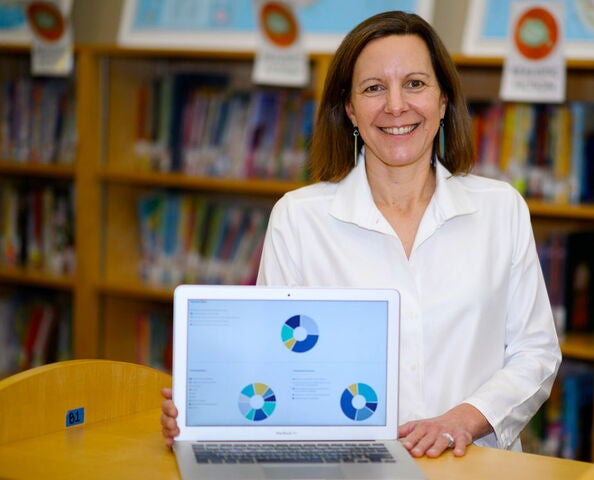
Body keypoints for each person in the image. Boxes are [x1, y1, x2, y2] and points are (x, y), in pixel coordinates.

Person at [161, 10, 561, 459]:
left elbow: (536, 353)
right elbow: (275, 363)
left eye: (415, 83)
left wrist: (463, 419)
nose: (395, 105)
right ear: (350, 109)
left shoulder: (500, 209)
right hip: (347, 466)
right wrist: (208, 411)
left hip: (476, 464)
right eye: (374, 88)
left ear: (444, 99)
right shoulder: (299, 218)